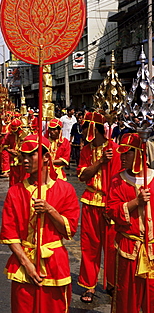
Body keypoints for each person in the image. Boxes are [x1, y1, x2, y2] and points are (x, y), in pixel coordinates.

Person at [0, 134, 80, 312]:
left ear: (46, 157)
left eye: (31, 155)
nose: (25, 160)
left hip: (55, 262)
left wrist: (50, 210)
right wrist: (26, 264)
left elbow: (69, 230)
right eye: (23, 156)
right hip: (24, 262)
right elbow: (9, 234)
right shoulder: (15, 191)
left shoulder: (66, 190)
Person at [77, 111, 121, 302]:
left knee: (112, 248)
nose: (84, 131)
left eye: (86, 127)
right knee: (89, 246)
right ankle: (89, 285)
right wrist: (100, 161)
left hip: (110, 205)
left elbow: (119, 182)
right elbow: (83, 176)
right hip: (90, 203)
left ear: (94, 129)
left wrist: (112, 208)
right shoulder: (86, 151)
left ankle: (112, 283)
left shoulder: (115, 149)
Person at [107, 133, 154, 313]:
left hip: (152, 250)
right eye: (122, 153)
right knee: (126, 298)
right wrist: (136, 202)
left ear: (139, 154)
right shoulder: (118, 180)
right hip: (129, 247)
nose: (122, 157)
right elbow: (111, 211)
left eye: (127, 153)